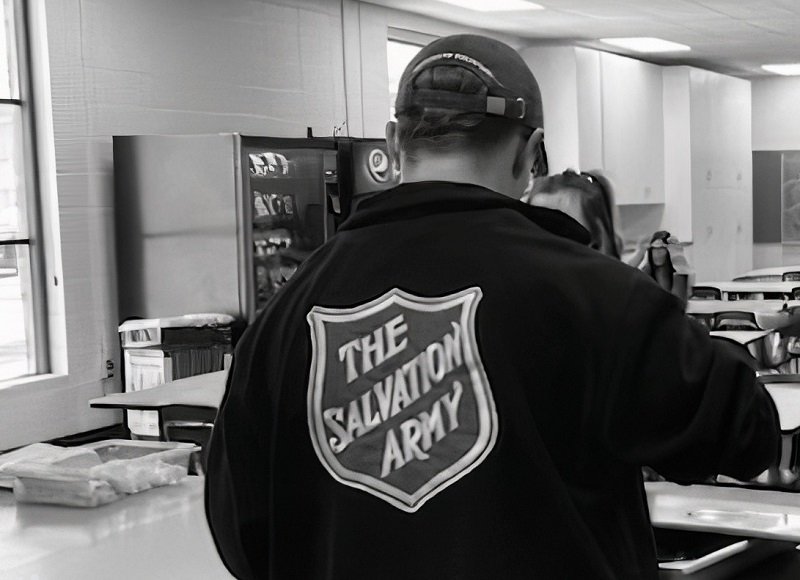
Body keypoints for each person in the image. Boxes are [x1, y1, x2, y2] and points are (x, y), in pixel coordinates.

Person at [205, 34, 779, 579]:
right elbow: (745, 434)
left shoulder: (283, 320)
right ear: (530, 155)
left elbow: (242, 537)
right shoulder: (595, 294)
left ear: (392, 143)